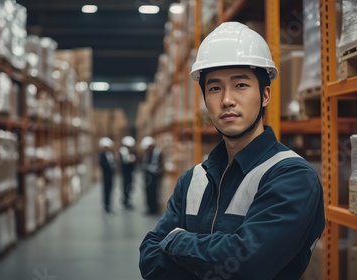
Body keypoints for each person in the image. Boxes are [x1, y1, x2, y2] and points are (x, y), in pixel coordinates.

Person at [139, 22, 325, 279]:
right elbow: (149, 261)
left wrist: (176, 241)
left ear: (265, 95)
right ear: (205, 99)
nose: (227, 99)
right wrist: (207, 254)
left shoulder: (292, 177)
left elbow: (247, 263)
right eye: (215, 88)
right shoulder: (192, 180)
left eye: (240, 85)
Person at [140, 136, 164, 215]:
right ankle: (150, 208)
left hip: (154, 176)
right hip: (148, 176)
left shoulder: (157, 153)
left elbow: (159, 166)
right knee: (148, 192)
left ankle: (154, 209)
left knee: (153, 192)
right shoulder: (148, 153)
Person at [99, 137, 116, 213]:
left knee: (110, 189)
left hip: (110, 175)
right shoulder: (102, 155)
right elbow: (104, 164)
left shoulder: (110, 154)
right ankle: (106, 206)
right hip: (106, 175)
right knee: (106, 190)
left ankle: (109, 205)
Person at [119, 135, 137, 209]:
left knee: (128, 187)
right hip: (126, 173)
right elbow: (127, 161)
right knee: (126, 187)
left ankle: (126, 201)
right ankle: (125, 202)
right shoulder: (123, 151)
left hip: (129, 173)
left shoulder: (127, 151)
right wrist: (131, 160)